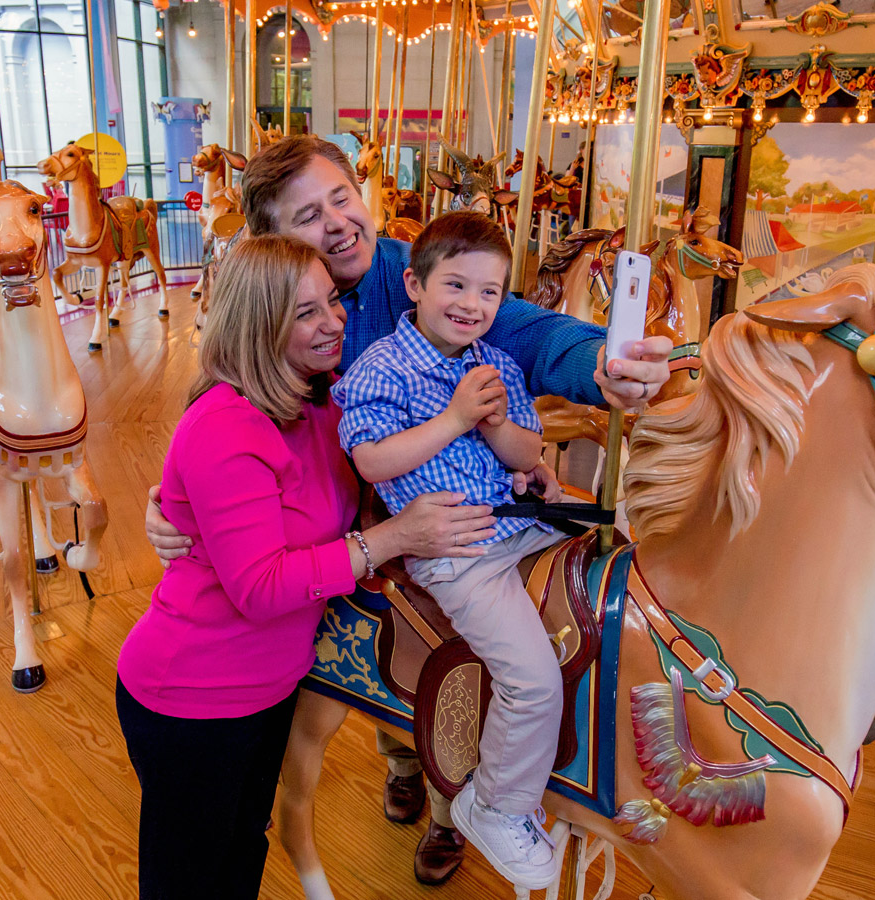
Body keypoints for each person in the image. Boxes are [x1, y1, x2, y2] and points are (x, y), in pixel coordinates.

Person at [144, 135, 671, 884]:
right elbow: (225, 420)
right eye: (306, 218)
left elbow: (525, 327)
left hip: (424, 523)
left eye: (340, 199)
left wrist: (600, 365)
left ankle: (478, 790)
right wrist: (172, 502)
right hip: (349, 554)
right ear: (274, 251)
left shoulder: (417, 270)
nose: (335, 224)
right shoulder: (272, 356)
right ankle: (424, 770)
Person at [117, 234, 497, 899]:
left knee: (242, 850)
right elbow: (262, 587)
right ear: (259, 325)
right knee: (190, 879)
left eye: (333, 300)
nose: (335, 321)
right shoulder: (226, 428)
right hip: (195, 694)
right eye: (305, 312)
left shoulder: (324, 403)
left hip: (269, 687)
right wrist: (391, 539)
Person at [334, 210, 566, 889]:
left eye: (489, 293)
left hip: (517, 524)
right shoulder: (383, 367)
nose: (472, 305)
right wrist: (455, 418)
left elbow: (529, 449)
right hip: (458, 552)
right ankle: (495, 805)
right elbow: (373, 459)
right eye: (456, 286)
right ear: (414, 284)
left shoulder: (495, 363)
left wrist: (496, 425)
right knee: (530, 678)